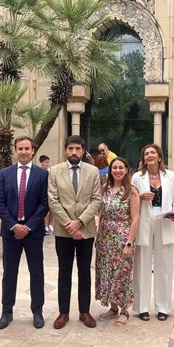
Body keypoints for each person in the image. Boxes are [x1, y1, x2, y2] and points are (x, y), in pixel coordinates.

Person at [0, 136, 49, 330]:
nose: (24, 151)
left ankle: (37, 311)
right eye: (20, 148)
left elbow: (45, 203)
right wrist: (14, 226)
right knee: (9, 272)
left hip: (33, 232)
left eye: (27, 148)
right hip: (11, 232)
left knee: (37, 272)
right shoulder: (5, 173)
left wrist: (28, 226)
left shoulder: (42, 175)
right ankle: (6, 311)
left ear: (33, 151)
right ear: (15, 150)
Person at [48, 136, 102, 329]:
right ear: (65, 151)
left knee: (84, 272)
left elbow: (96, 199)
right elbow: (53, 200)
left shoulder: (93, 171)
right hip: (63, 233)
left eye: (77, 149)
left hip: (86, 231)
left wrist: (79, 222)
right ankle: (63, 313)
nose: (73, 152)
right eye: (70, 148)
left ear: (83, 151)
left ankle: (84, 311)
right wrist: (68, 225)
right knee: (64, 272)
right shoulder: (54, 171)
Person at [131, 144, 174, 321]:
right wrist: (140, 197)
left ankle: (163, 307)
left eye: (153, 153)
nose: (149, 155)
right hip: (144, 220)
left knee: (164, 266)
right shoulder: (137, 177)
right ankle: (142, 306)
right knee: (142, 265)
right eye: (146, 154)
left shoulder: (170, 176)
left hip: (164, 220)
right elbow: (131, 199)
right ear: (143, 159)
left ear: (159, 157)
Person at [95, 157, 140, 325]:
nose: (118, 170)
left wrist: (129, 242)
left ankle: (124, 310)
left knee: (122, 274)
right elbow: (99, 211)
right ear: (110, 170)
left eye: (121, 167)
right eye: (115, 167)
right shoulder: (105, 188)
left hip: (122, 238)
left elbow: (135, 219)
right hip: (105, 238)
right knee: (106, 273)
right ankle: (113, 308)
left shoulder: (131, 191)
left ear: (127, 170)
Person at [39, 155, 53, 234]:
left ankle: (50, 224)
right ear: (41, 163)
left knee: (52, 210)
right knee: (46, 211)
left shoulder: (51, 171)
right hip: (44, 193)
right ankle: (46, 226)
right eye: (45, 162)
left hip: (51, 192)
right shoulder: (39, 172)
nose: (47, 164)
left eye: (48, 162)